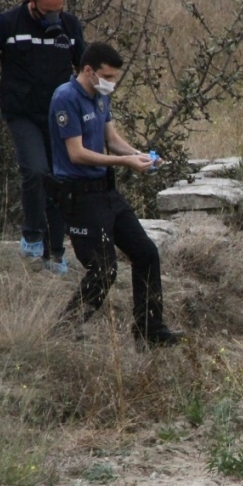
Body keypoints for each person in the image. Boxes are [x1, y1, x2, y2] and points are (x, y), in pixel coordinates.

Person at [48, 41, 184, 349]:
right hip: (80, 196)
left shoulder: (100, 97)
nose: (111, 82)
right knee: (104, 268)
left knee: (146, 252)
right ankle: (63, 330)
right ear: (88, 70)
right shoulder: (65, 98)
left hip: (106, 191)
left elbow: (111, 138)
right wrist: (125, 162)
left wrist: (140, 155)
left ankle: (149, 328)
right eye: (106, 75)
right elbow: (78, 153)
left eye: (114, 77)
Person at [0, 0, 86, 273]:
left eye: (58, 11)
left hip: (58, 116)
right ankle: (31, 237)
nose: (53, 18)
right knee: (35, 170)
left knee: (58, 179)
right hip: (21, 113)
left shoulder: (69, 27)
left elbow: (84, 68)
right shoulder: (8, 24)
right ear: (32, 2)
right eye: (47, 13)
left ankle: (55, 253)